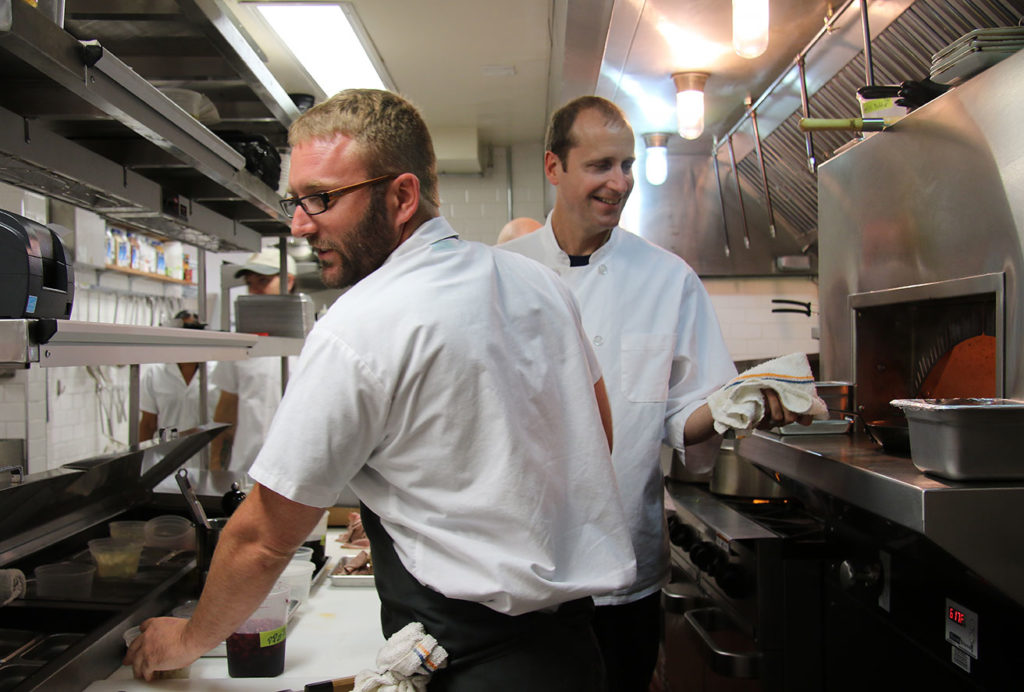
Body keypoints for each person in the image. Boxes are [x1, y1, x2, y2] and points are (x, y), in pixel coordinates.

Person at [125, 89, 637, 691]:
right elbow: (591, 437)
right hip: (575, 653)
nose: (298, 223)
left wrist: (184, 640)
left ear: (401, 196)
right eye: (296, 200)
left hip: (470, 664)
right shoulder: (538, 284)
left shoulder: (357, 325)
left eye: (321, 198)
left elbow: (264, 536)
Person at [500, 95, 809, 691]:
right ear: (553, 166)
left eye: (627, 166)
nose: (619, 183)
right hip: (525, 569)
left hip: (625, 567)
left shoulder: (669, 280)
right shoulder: (500, 273)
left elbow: (683, 413)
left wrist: (732, 407)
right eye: (600, 166)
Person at [209, 247, 297, 472]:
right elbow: (226, 412)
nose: (254, 290)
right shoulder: (239, 344)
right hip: (247, 468)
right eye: (250, 283)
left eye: (263, 280)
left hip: (299, 474)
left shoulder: (315, 342)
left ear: (288, 281)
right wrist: (216, 466)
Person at [138, 311, 215, 441]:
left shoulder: (216, 371)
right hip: (169, 454)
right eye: (183, 332)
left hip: (209, 453)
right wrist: (142, 460)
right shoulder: (155, 373)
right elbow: (148, 424)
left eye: (193, 333)